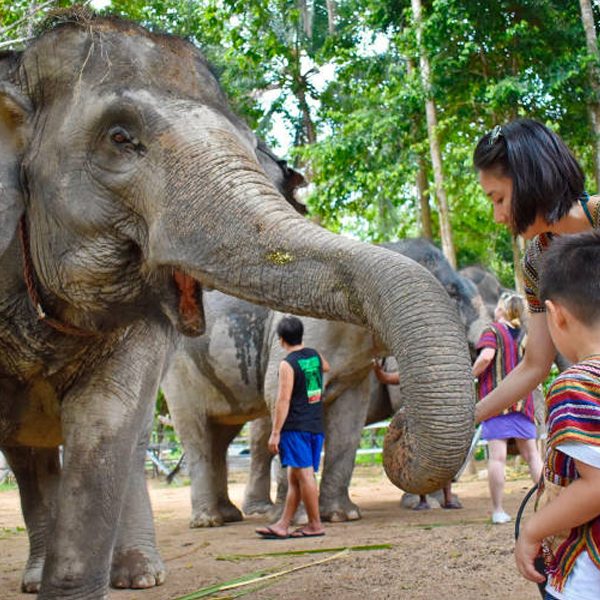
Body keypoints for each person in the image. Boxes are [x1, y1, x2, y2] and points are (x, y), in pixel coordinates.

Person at [472, 119, 600, 424]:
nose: (498, 216)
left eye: (499, 199)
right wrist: (469, 417)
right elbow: (535, 364)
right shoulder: (536, 262)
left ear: (531, 180)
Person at [515, 231, 600, 600]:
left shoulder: (575, 385)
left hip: (585, 576)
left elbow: (596, 485)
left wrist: (533, 530)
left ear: (555, 315)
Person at [256, 316, 330, 539]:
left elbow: (283, 400)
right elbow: (327, 367)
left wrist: (275, 432)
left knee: (304, 475)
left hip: (295, 427)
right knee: (295, 478)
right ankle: (283, 524)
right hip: (315, 424)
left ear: (281, 340)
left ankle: (315, 524)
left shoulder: (288, 364)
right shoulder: (314, 356)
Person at [472, 294, 543, 524]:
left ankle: (498, 510)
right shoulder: (526, 335)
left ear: (502, 310)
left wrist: (468, 376)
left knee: (497, 458)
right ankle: (547, 505)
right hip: (524, 403)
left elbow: (486, 357)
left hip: (497, 401)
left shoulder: (492, 331)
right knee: (533, 456)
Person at [372, 360, 462, 511]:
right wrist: (377, 370)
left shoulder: (435, 376)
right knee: (417, 460)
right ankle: (424, 499)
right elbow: (386, 378)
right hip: (416, 423)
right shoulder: (409, 375)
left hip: (437, 422)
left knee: (444, 460)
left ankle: (447, 498)